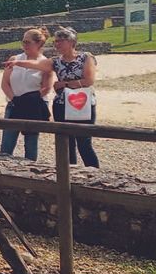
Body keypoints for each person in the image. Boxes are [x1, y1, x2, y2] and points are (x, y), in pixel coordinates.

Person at [6, 26, 100, 168]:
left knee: (84, 142)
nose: (56, 44)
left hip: (83, 103)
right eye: (55, 41)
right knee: (66, 143)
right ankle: (69, 175)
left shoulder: (86, 57)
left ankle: (94, 175)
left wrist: (64, 84)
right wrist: (17, 62)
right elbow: (37, 64)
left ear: (71, 42)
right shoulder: (55, 61)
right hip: (62, 105)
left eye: (60, 41)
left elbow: (89, 80)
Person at [0, 27, 54, 160]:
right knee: (7, 142)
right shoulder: (14, 59)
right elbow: (5, 83)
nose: (24, 45)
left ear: (38, 44)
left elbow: (46, 87)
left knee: (31, 143)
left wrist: (29, 100)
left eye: (27, 42)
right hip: (14, 104)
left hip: (34, 105)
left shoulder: (45, 63)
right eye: (23, 42)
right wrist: (15, 100)